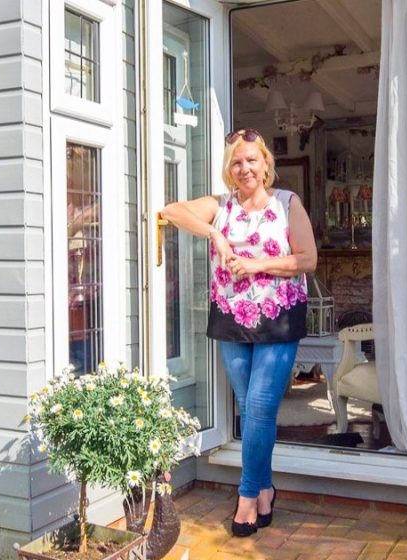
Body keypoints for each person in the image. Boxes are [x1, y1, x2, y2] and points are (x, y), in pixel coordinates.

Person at [160, 129, 317, 537]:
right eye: (236, 162)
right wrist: (213, 231)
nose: (244, 167)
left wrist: (257, 265)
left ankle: (247, 496)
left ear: (266, 164)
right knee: (249, 409)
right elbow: (171, 210)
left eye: (251, 160)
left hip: (278, 318)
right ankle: (266, 488)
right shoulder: (221, 205)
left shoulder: (287, 204)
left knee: (262, 407)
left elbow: (307, 259)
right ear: (229, 171)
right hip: (231, 318)